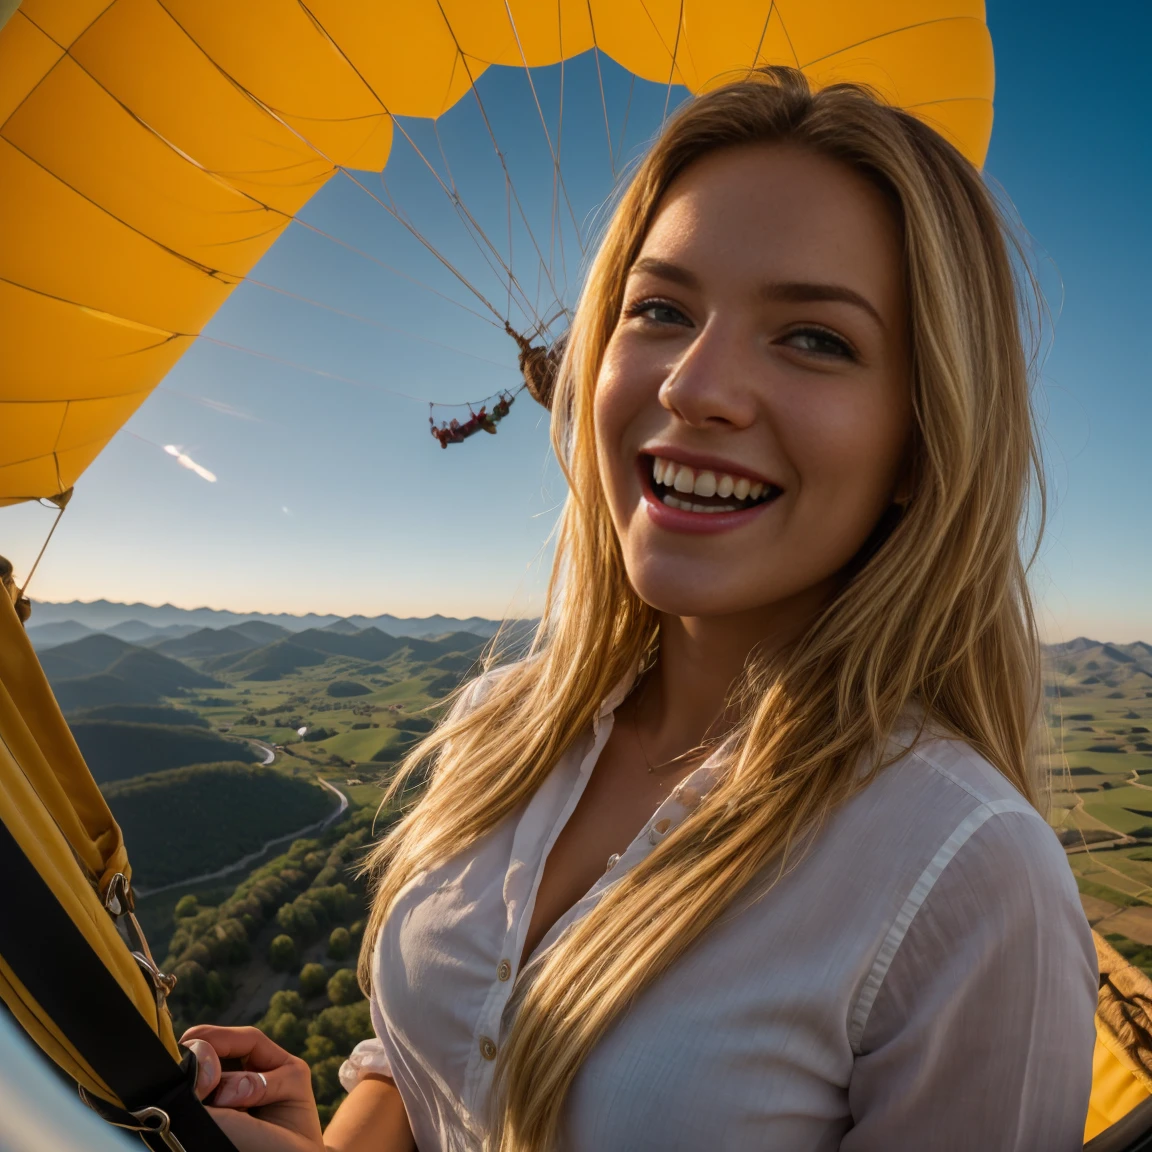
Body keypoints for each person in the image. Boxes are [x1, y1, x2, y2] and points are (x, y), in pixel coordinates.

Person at [183, 67, 1098, 1152]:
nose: (693, 384)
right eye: (659, 309)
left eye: (814, 337)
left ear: (921, 439)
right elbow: (425, 1065)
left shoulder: (968, 879)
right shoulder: (496, 729)